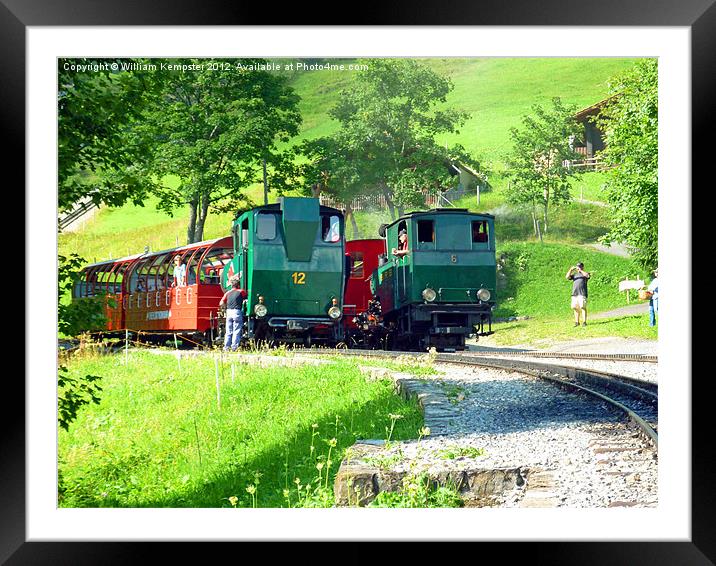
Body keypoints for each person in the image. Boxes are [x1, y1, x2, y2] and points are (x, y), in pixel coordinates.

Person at [219, 276, 246, 351]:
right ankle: (234, 347)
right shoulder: (241, 291)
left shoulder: (228, 293)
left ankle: (226, 347)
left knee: (228, 331)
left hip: (229, 312)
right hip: (237, 312)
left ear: (231, 285)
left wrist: (225, 307)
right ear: (238, 285)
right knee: (236, 330)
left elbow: (221, 303)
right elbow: (246, 298)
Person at [565, 262, 591, 327]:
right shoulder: (575, 275)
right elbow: (567, 277)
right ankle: (577, 322)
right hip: (575, 294)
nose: (578, 268)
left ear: (582, 267)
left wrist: (581, 271)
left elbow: (587, 276)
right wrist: (571, 270)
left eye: (580, 266)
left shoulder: (585, 274)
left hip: (582, 293)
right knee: (574, 307)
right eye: (577, 267)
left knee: (582, 307)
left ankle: (584, 322)